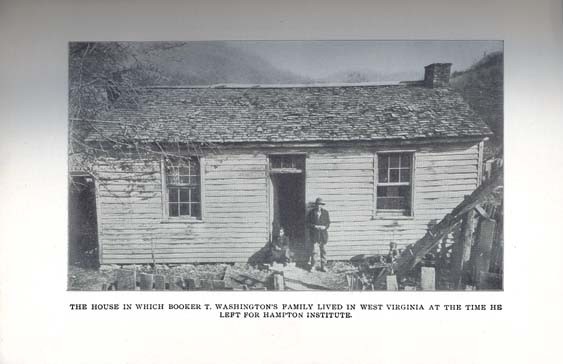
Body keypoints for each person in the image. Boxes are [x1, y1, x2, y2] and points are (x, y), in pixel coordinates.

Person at [307, 197, 330, 272]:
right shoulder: (311, 212)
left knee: (323, 251)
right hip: (314, 235)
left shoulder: (325, 212)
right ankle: (313, 266)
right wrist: (314, 226)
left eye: (320, 205)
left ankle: (323, 266)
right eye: (318, 204)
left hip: (323, 235)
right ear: (315, 205)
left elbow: (328, 223)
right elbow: (307, 224)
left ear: (322, 205)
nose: (319, 206)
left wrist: (325, 227)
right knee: (314, 251)